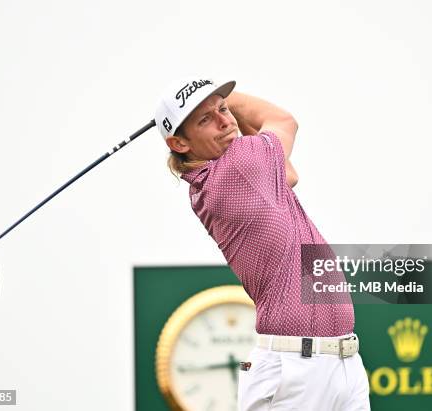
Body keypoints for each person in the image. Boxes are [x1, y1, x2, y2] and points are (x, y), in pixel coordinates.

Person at [155, 78, 370, 411]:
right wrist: (224, 96)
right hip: (294, 370)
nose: (225, 121)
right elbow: (284, 121)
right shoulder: (238, 167)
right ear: (180, 143)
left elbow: (290, 174)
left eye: (223, 109)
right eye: (205, 119)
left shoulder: (242, 172)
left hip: (340, 363)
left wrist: (206, 100)